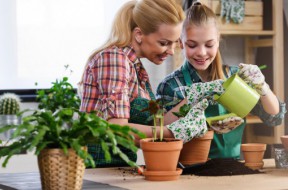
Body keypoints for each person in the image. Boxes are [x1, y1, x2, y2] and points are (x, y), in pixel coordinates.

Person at [79, 0, 225, 167]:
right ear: (139, 35)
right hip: (97, 169)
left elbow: (156, 124)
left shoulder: (135, 67)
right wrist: (172, 133)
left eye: (174, 42)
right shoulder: (114, 59)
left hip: (118, 167)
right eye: (164, 43)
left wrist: (193, 98)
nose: (171, 51)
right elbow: (116, 130)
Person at [157, 2, 286, 159]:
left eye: (209, 44)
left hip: (233, 169)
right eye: (192, 45)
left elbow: (274, 117)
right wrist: (192, 98)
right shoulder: (171, 85)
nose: (201, 52)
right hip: (189, 171)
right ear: (180, 43)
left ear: (218, 40)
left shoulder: (235, 78)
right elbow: (159, 131)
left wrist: (263, 87)